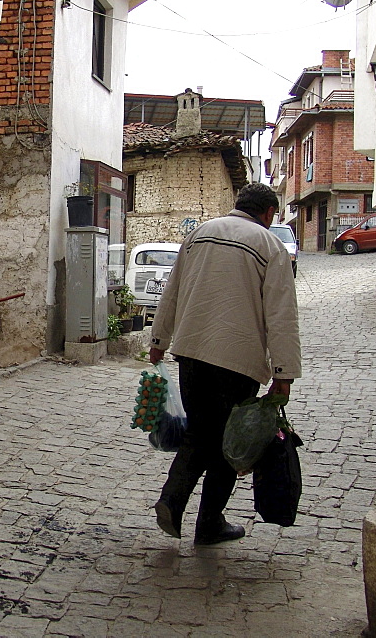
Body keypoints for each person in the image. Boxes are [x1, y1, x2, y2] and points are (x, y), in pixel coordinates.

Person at [148, 182, 300, 545]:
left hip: (192, 352)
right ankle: (207, 521)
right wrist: (284, 373)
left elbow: (173, 290)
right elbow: (281, 314)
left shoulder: (200, 233)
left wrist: (158, 340)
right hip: (238, 359)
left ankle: (175, 502)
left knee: (201, 431)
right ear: (268, 214)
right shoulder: (270, 246)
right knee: (229, 442)